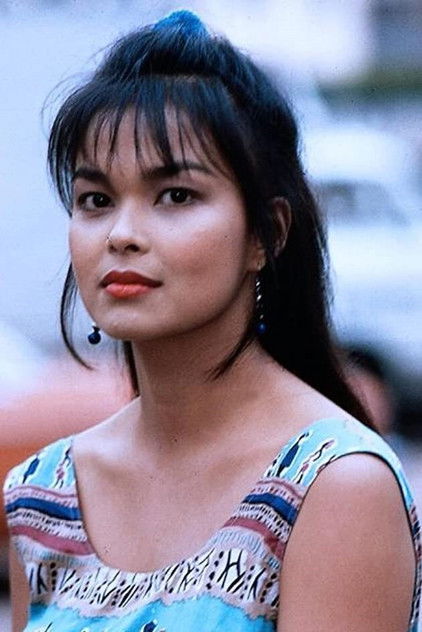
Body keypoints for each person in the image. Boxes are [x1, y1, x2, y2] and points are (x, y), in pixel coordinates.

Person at [4, 10, 421, 632]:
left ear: (265, 234)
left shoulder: (333, 487)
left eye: (176, 195)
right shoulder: (40, 496)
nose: (121, 233)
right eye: (96, 199)